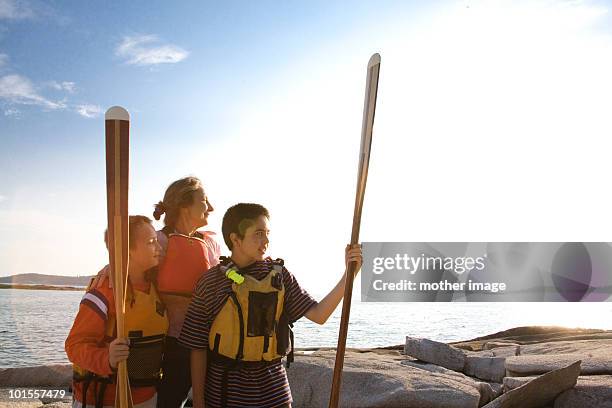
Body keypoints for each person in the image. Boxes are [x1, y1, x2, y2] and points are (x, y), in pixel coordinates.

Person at [178, 203, 363, 408]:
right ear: (235, 238)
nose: (266, 240)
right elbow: (197, 347)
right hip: (224, 394)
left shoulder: (281, 276)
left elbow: (319, 315)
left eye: (267, 233)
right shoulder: (211, 282)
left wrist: (349, 275)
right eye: (258, 233)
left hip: (275, 392)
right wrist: (200, 401)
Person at [93, 177, 221, 408]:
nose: (210, 207)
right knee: (170, 401)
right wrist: (111, 267)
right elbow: (131, 263)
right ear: (184, 205)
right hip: (172, 343)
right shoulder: (160, 241)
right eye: (204, 201)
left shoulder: (210, 244)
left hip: (208, 341)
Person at [65, 215, 168, 408]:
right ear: (127, 250)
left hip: (146, 396)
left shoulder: (156, 286)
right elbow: (74, 346)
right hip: (106, 399)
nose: (159, 248)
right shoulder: (104, 292)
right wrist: (107, 359)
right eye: (151, 243)